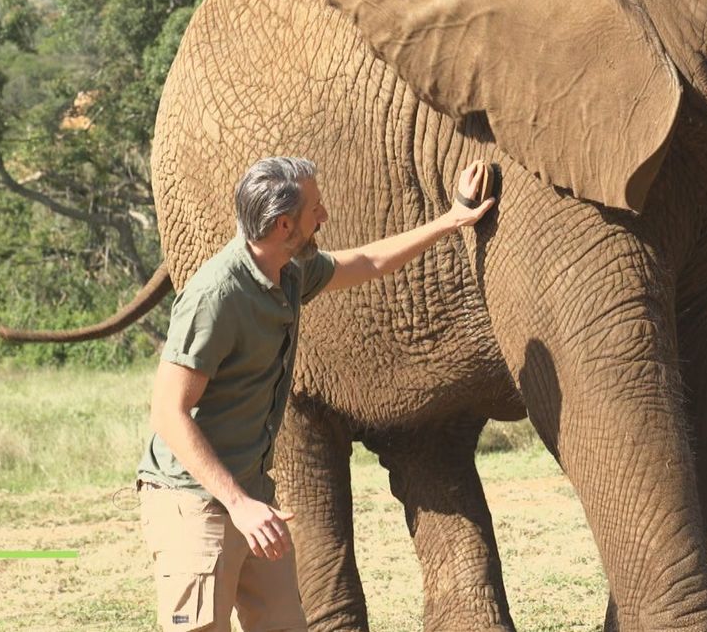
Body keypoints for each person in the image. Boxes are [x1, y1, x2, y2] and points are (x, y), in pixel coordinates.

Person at [136, 156, 495, 632]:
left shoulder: (289, 272)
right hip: (194, 505)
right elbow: (168, 412)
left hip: (251, 499)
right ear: (284, 224)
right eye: (316, 209)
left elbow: (367, 261)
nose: (324, 216)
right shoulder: (215, 297)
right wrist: (239, 506)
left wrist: (453, 219)